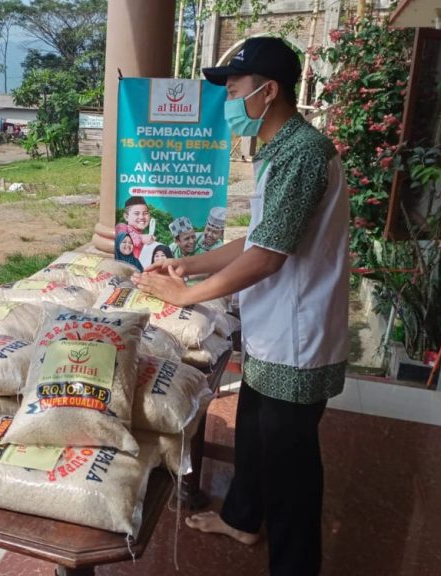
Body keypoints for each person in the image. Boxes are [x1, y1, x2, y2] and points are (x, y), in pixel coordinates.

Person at [135, 37, 349, 576]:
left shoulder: (301, 154)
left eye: (234, 89)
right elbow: (257, 241)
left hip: (297, 340)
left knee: (291, 466)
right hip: (273, 330)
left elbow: (267, 260)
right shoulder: (279, 151)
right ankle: (244, 520)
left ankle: (295, 566)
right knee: (253, 429)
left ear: (268, 90)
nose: (228, 101)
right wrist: (191, 264)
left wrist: (183, 297)